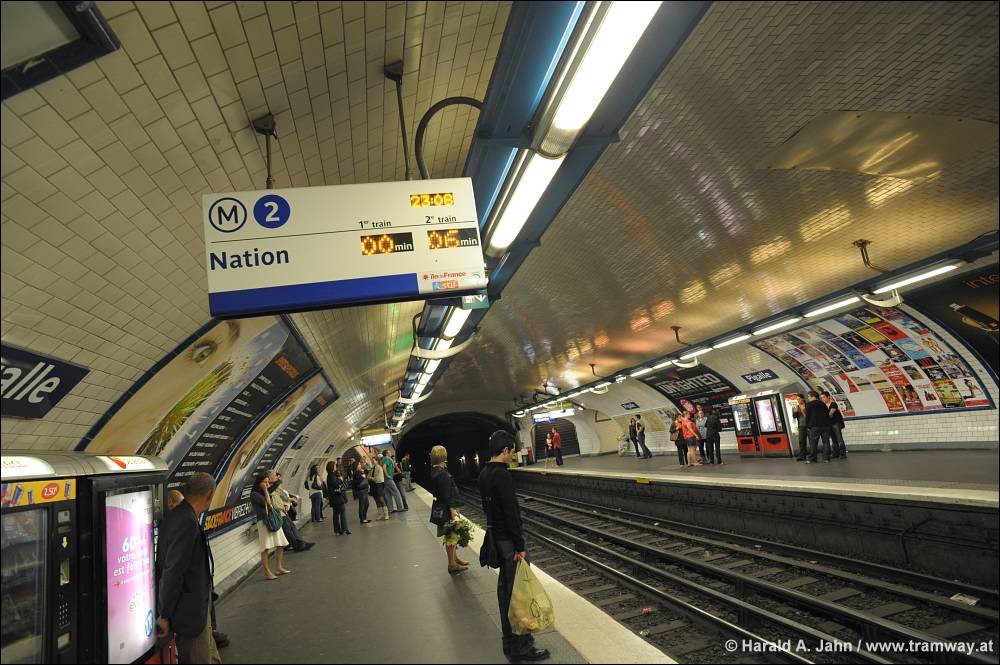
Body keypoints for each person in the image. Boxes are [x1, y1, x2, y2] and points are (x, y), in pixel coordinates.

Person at [480, 431, 550, 662]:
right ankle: (522, 647)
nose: (513, 456)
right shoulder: (502, 475)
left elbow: (488, 509)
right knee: (519, 595)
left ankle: (510, 644)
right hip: (509, 542)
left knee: (506, 592)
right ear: (504, 450)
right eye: (511, 451)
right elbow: (511, 513)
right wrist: (520, 546)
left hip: (497, 539)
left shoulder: (484, 474)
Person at [156, 473, 222, 664]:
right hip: (189, 612)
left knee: (210, 654)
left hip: (196, 610)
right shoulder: (186, 522)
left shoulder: (180, 515)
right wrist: (164, 614)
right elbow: (173, 572)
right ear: (210, 494)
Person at [428, 444, 468, 573]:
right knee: (451, 536)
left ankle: (454, 559)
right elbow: (446, 495)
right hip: (446, 508)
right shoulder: (442, 474)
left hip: (441, 506)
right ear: (443, 456)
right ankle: (452, 564)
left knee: (451, 535)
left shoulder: (435, 470)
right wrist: (452, 510)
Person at [249, 473, 290, 580]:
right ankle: (267, 572)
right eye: (265, 482)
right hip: (264, 522)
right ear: (259, 483)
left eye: (268, 482)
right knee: (265, 547)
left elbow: (272, 501)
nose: (267, 484)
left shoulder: (264, 491)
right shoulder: (254, 494)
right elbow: (267, 503)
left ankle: (279, 567)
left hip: (273, 520)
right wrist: (266, 491)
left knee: (280, 544)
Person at [268, 470, 313, 552]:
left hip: (282, 510)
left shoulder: (275, 487)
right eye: (274, 476)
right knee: (287, 529)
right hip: (278, 512)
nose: (276, 477)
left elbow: (282, 497)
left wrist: (286, 504)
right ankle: (297, 546)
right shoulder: (268, 488)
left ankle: (301, 543)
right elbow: (274, 502)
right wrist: (282, 507)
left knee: (292, 527)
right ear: (269, 477)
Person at [805, 390, 833, 463]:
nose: (808, 398)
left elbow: (808, 416)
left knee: (813, 443)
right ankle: (826, 458)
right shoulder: (823, 404)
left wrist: (808, 426)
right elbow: (827, 414)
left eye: (809, 396)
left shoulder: (809, 404)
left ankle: (812, 459)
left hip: (814, 426)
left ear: (813, 396)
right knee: (826, 442)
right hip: (825, 426)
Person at [324, 461, 351, 535]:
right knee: (342, 512)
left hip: (334, 498)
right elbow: (335, 484)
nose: (336, 466)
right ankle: (345, 529)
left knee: (336, 514)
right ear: (332, 467)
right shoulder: (331, 475)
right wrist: (340, 480)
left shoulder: (330, 475)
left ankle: (337, 530)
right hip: (337, 497)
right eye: (334, 465)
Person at [822, 392, 848, 459]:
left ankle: (843, 454)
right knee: (833, 439)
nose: (822, 399)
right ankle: (835, 453)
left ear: (828, 397)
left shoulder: (833, 404)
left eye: (824, 397)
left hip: (836, 423)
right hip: (829, 424)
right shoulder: (823, 406)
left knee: (839, 438)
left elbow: (830, 414)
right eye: (821, 398)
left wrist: (823, 417)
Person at [793, 395, 809, 461]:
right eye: (797, 399)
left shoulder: (808, 405)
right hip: (801, 426)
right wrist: (795, 411)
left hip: (809, 425)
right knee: (801, 441)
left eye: (799, 399)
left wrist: (804, 410)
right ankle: (802, 456)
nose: (798, 400)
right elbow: (794, 416)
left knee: (812, 440)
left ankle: (813, 454)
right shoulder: (796, 407)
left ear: (803, 399)